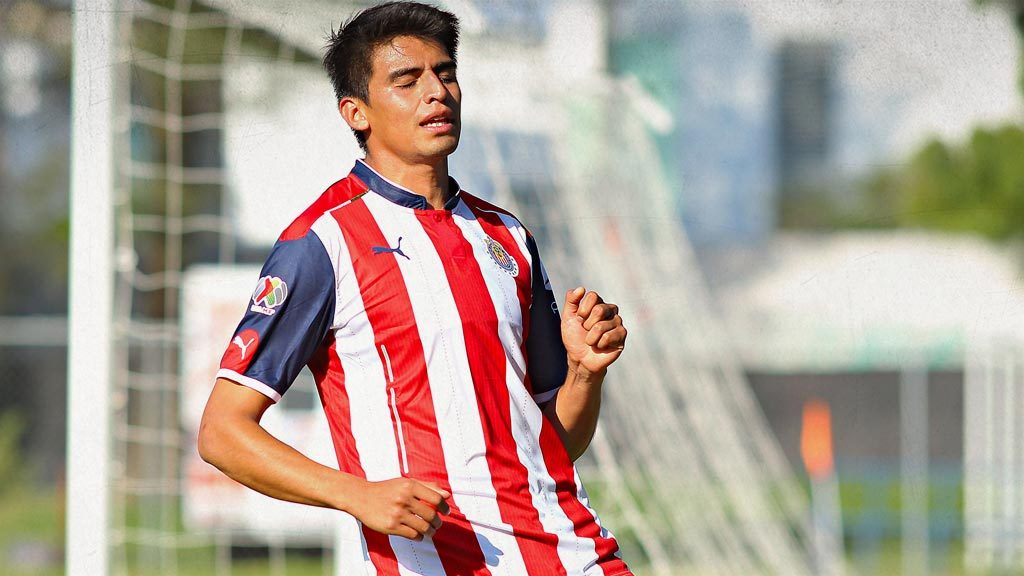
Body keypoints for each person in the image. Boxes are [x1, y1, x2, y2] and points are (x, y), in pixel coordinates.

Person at [198, 2, 631, 574]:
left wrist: (584, 373)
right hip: (439, 561)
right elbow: (222, 432)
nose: (437, 92)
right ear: (356, 112)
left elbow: (555, 444)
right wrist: (355, 494)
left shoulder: (507, 235)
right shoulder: (322, 242)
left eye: (445, 73)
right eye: (407, 80)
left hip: (572, 551)